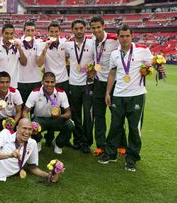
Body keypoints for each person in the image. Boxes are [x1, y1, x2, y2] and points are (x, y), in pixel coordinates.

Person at [98, 24, 165, 171]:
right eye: (121, 36)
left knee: (135, 128)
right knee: (115, 126)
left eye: (127, 35)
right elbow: (112, 73)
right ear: (118, 37)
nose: (124, 39)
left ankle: (132, 158)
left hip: (136, 95)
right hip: (118, 95)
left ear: (132, 35)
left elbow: (153, 63)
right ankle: (111, 154)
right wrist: (108, 93)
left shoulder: (142, 50)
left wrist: (158, 68)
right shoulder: (115, 54)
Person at [89, 16, 127, 156]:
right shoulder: (92, 42)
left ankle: (122, 144)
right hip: (98, 83)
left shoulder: (114, 39)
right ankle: (101, 145)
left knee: (117, 115)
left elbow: (125, 50)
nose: (96, 30)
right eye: (93, 28)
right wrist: (94, 70)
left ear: (103, 26)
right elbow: (99, 61)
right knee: (99, 116)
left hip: (114, 83)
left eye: (98, 27)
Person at [23, 72, 74, 153]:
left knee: (70, 124)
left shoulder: (61, 93)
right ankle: (37, 141)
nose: (49, 84)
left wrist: (59, 116)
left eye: (52, 82)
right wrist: (29, 123)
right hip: (40, 120)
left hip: (56, 120)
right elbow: (25, 111)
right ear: (42, 82)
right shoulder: (35, 92)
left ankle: (58, 144)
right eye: (47, 82)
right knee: (32, 124)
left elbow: (68, 113)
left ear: (55, 82)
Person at [64, 19, 95, 153]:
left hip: (88, 84)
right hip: (73, 85)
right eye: (76, 28)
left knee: (88, 115)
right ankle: (77, 140)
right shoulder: (67, 45)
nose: (79, 31)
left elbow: (99, 63)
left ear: (85, 29)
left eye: (81, 28)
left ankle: (86, 142)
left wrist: (94, 70)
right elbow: (64, 60)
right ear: (72, 30)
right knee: (76, 114)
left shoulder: (92, 44)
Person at [36, 21, 69, 147]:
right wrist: (45, 49)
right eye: (52, 32)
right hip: (49, 83)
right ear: (48, 33)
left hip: (63, 81)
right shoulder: (43, 45)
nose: (54, 34)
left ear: (59, 32)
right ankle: (48, 137)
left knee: (62, 111)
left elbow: (70, 56)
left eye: (56, 32)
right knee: (48, 109)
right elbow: (39, 63)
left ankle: (62, 140)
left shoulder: (65, 44)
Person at [0, 71, 23, 146]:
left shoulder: (15, 92)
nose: (5, 85)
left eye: (7, 82)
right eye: (2, 82)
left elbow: (19, 112)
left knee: (22, 124)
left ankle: (18, 145)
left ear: (10, 82)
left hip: (12, 118)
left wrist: (13, 123)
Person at [0, 23, 27, 88]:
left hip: (12, 84)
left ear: (14, 34)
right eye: (6, 33)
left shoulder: (17, 45)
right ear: (2, 33)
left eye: (11, 33)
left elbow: (24, 63)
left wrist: (20, 49)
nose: (9, 36)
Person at [17, 21, 42, 104]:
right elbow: (23, 62)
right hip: (21, 81)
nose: (30, 33)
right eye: (28, 30)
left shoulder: (39, 43)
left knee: (35, 109)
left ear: (35, 31)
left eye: (32, 30)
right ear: (23, 31)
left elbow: (40, 63)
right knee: (22, 108)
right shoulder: (18, 43)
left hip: (36, 80)